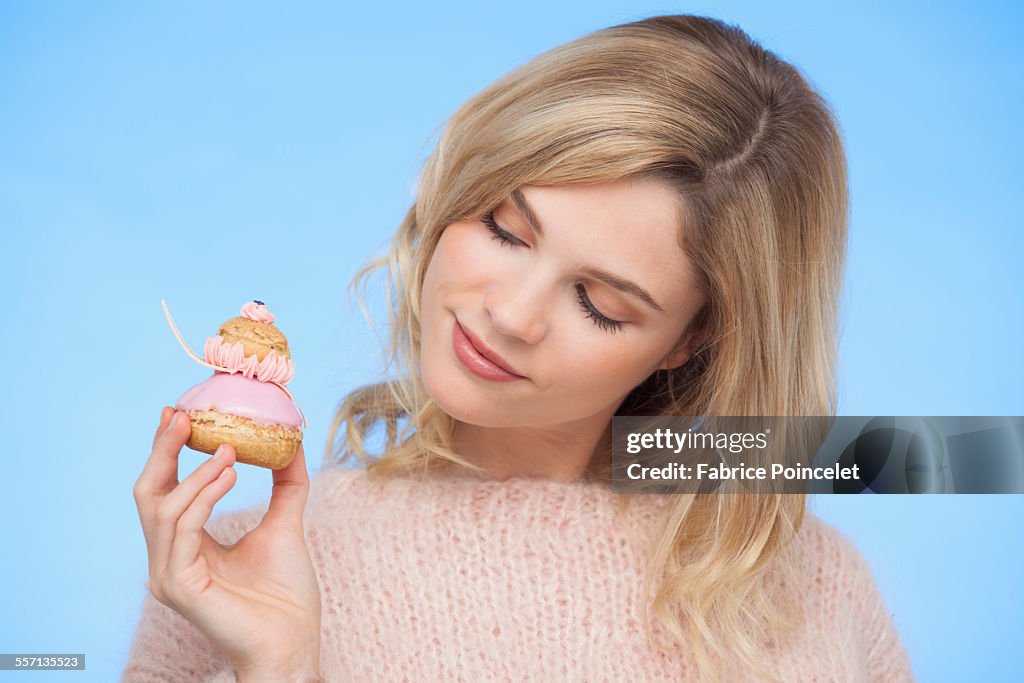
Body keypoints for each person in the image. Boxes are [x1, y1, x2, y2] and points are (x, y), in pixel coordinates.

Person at [124, 13, 915, 682]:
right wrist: (282, 664)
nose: (510, 314)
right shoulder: (234, 566)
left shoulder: (817, 592)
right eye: (506, 228)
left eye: (600, 303)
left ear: (691, 341)